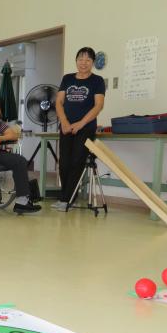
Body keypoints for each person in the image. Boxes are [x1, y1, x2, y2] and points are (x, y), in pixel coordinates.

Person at [54, 47, 105, 211]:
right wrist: (64, 122)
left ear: (93, 63)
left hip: (85, 127)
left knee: (77, 161)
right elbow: (59, 102)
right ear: (76, 61)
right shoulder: (67, 78)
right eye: (81, 59)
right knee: (64, 163)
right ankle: (65, 197)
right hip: (66, 126)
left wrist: (81, 123)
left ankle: (67, 199)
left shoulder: (97, 81)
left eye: (88, 60)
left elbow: (98, 106)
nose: (84, 63)